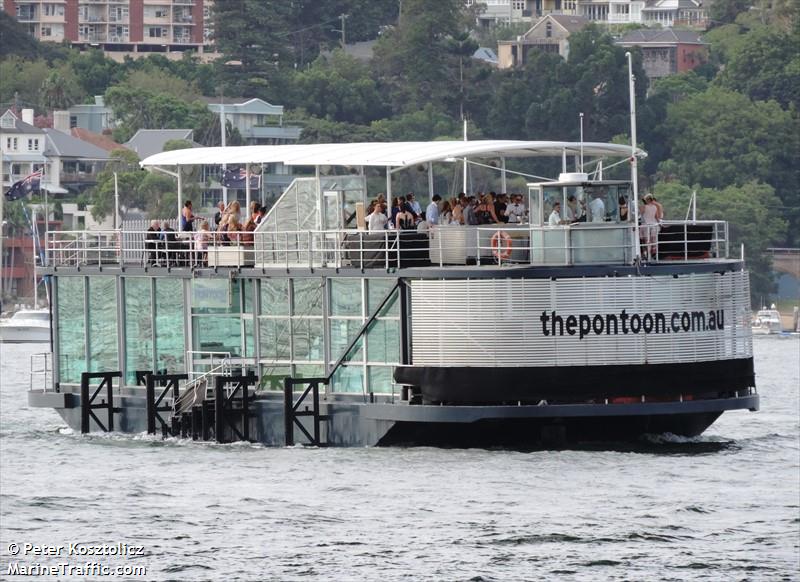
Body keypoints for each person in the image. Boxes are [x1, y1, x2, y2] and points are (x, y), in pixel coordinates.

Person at [639, 193, 662, 260]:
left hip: (646, 225)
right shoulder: (655, 207)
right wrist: (660, 224)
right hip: (653, 225)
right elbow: (657, 217)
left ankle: (646, 254)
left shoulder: (643, 207)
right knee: (653, 241)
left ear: (647, 200)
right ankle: (652, 255)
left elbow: (639, 214)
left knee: (646, 240)